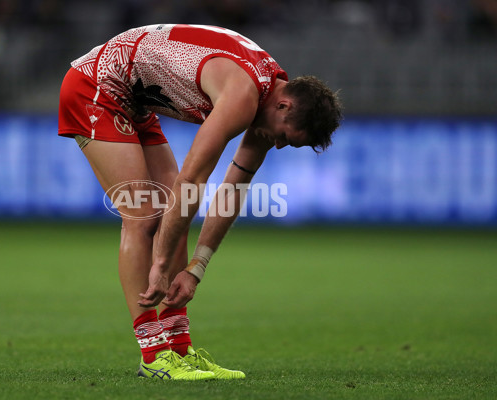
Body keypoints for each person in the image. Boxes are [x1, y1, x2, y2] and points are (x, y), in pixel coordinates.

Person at [58, 24, 342, 380]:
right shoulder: (243, 95)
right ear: (285, 105)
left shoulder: (270, 97)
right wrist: (161, 264)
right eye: (286, 137)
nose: (280, 145)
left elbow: (232, 189)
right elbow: (191, 181)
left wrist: (196, 268)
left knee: (172, 216)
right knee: (143, 216)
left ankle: (178, 349)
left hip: (136, 97)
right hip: (95, 86)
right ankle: (152, 355)